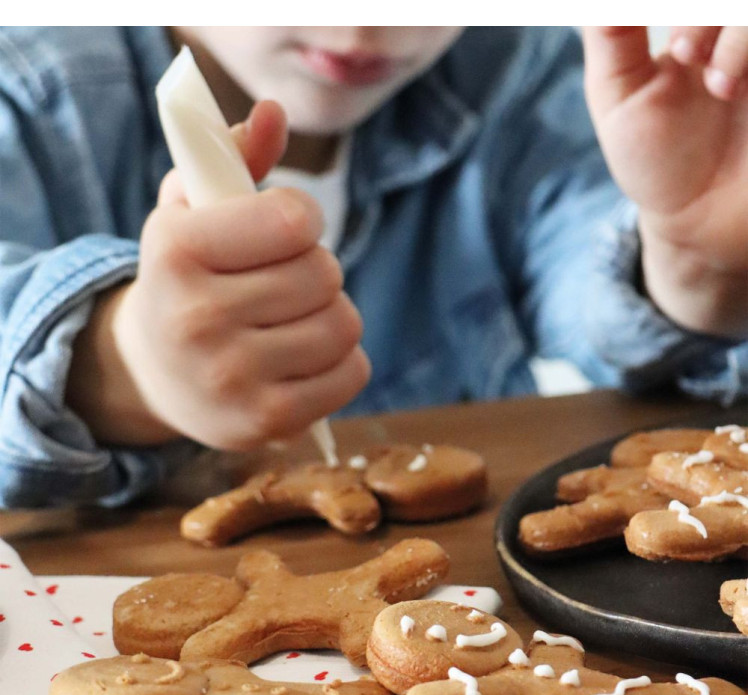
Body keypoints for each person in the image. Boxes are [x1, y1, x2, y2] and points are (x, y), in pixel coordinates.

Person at [0, 26, 745, 509]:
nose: (363, 23)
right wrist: (121, 363)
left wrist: (690, 258)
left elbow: (593, 294)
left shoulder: (516, 72)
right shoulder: (32, 96)